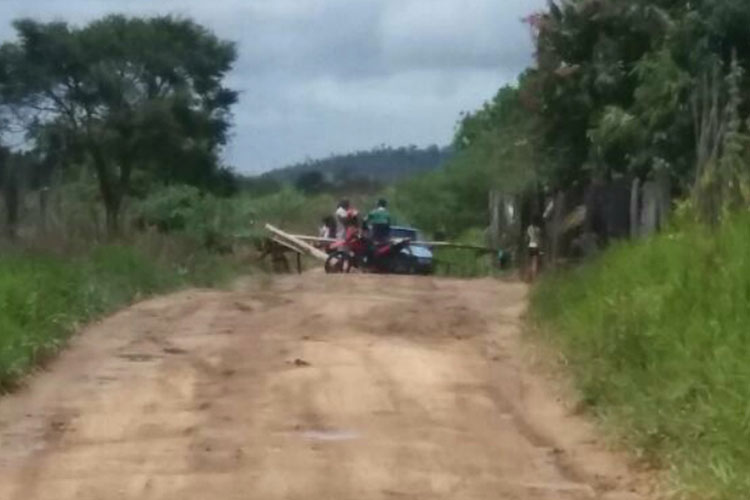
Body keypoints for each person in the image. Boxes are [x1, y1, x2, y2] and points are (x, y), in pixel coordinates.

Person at [527, 217, 542, 282]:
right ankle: (534, 278)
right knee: (535, 262)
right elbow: (539, 237)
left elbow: (529, 236)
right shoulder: (538, 229)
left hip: (531, 245)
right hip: (536, 245)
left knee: (531, 261)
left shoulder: (529, 228)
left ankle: (530, 277)